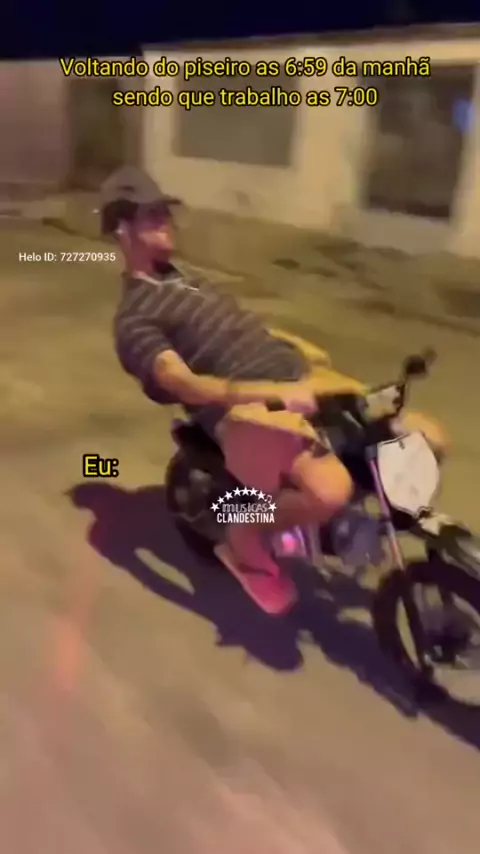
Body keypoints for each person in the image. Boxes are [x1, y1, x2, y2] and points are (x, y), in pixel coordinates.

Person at [102, 167, 448, 616]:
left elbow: (241, 331)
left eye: (164, 212)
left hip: (297, 381)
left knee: (428, 439)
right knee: (328, 490)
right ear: (121, 228)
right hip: (244, 412)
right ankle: (243, 536)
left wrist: (297, 350)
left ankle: (356, 527)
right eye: (150, 215)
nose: (165, 221)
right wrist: (275, 392)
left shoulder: (186, 278)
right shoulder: (134, 318)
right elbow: (185, 383)